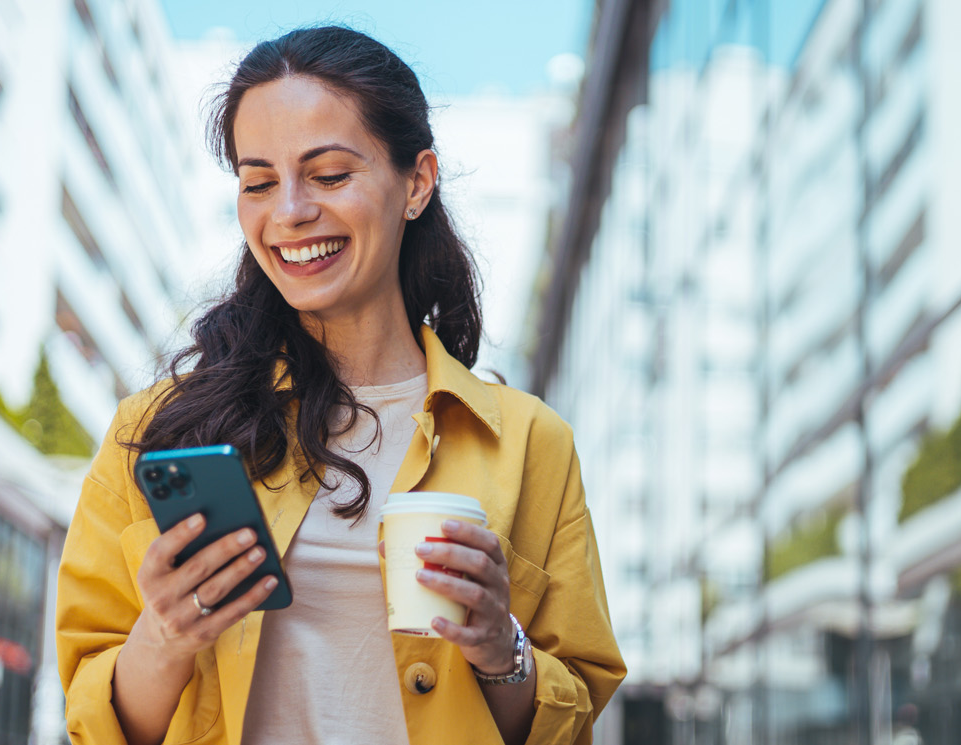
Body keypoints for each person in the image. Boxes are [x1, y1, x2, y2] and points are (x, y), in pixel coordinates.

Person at [54, 25, 624, 745]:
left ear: (416, 182)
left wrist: (499, 648)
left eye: (327, 175)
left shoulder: (530, 443)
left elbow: (571, 722)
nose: (288, 211)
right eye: (259, 182)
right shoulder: (159, 432)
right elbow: (92, 722)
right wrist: (164, 635)